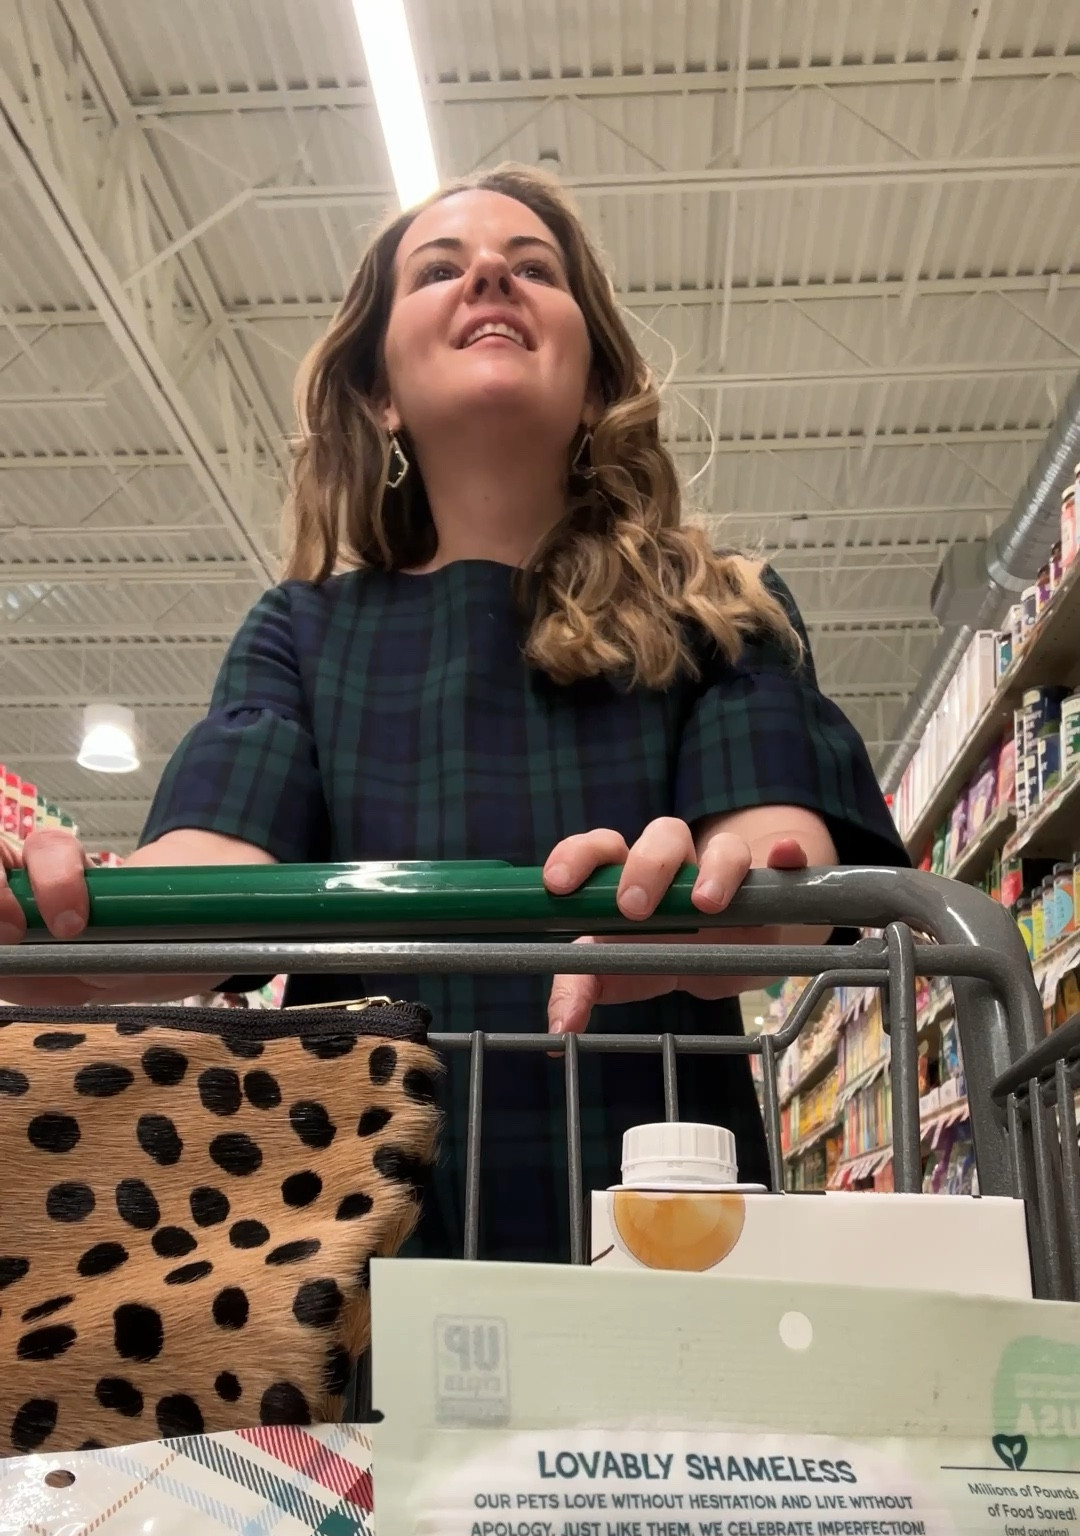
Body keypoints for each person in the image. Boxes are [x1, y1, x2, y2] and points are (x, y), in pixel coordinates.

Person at [0, 164, 904, 1259]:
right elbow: (208, 871)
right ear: (380, 393)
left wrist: (734, 889)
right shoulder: (300, 634)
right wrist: (63, 923)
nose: (489, 277)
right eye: (440, 269)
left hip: (657, 1206)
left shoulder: (716, 607)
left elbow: (780, 864)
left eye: (534, 268)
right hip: (355, 1228)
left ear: (595, 380)